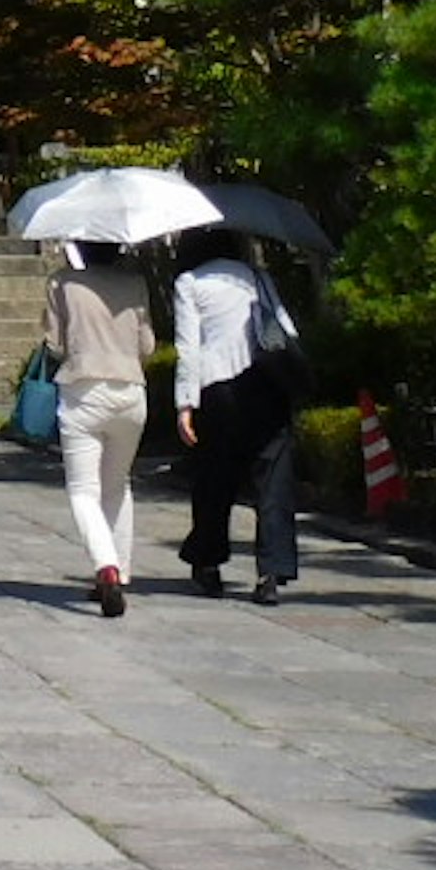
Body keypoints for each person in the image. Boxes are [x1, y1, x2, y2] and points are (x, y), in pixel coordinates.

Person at [173, 229, 305, 601]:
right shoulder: (258, 277)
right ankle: (272, 573)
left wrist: (185, 405)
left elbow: (189, 348)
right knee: (273, 481)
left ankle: (209, 562)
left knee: (215, 480)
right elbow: (285, 328)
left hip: (219, 390)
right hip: (266, 385)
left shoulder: (190, 282)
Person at [45, 240, 156, 616]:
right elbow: (148, 344)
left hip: (83, 387)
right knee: (117, 484)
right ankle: (119, 570)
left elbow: (55, 343)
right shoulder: (136, 283)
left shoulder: (63, 283)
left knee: (83, 490)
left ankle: (105, 565)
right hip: (130, 390)